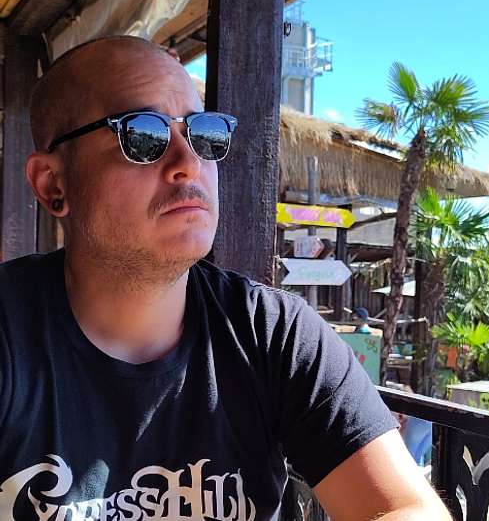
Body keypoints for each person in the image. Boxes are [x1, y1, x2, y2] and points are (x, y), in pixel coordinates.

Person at [0, 36, 451, 520]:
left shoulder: (274, 334)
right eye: (144, 135)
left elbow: (404, 507)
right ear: (53, 184)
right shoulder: (10, 333)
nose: (189, 163)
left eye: (204, 134)